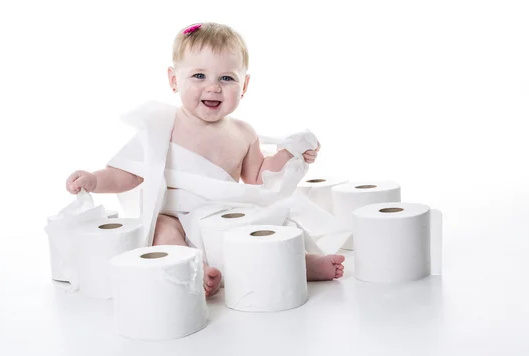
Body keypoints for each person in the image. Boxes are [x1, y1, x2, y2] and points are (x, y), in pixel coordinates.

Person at [65, 22, 345, 297]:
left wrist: (288, 154)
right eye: (199, 76)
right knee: (162, 232)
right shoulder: (163, 126)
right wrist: (94, 180)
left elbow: (258, 177)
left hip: (228, 214)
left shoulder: (243, 132)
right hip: (177, 217)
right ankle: (194, 268)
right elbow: (128, 173)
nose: (213, 87)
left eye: (226, 78)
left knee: (276, 222)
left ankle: (302, 262)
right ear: (174, 80)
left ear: (244, 84)